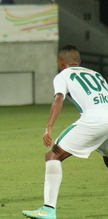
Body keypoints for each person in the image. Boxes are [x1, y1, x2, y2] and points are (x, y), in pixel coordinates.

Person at [22, 44, 108, 219]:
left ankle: (48, 209)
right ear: (79, 61)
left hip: (95, 119)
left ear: (61, 62)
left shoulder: (63, 75)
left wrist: (48, 128)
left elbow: (58, 98)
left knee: (52, 156)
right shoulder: (96, 74)